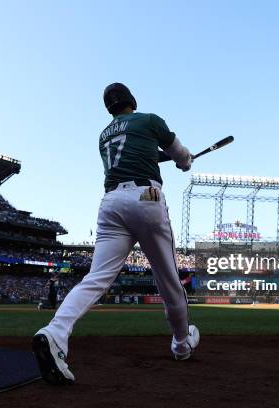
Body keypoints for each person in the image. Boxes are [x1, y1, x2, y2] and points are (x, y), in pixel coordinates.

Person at [32, 83, 199, 385]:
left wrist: (161, 157)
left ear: (109, 108)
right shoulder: (149, 120)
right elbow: (179, 153)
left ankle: (54, 332)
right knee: (168, 280)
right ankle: (181, 343)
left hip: (110, 204)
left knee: (96, 278)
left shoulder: (103, 136)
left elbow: (139, 151)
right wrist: (184, 161)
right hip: (146, 197)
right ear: (131, 100)